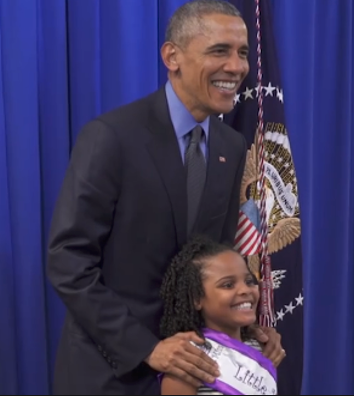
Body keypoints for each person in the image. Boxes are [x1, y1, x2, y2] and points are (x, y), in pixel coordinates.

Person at [47, 0, 285, 395]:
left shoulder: (232, 143)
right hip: (110, 372)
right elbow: (68, 260)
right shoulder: (112, 136)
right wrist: (146, 348)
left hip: (192, 371)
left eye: (243, 53)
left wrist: (243, 325)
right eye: (219, 51)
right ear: (172, 57)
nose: (238, 67)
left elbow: (213, 257)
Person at [159, 235, 277, 395]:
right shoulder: (186, 359)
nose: (245, 290)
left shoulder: (263, 348)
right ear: (196, 298)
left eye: (249, 281)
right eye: (228, 285)